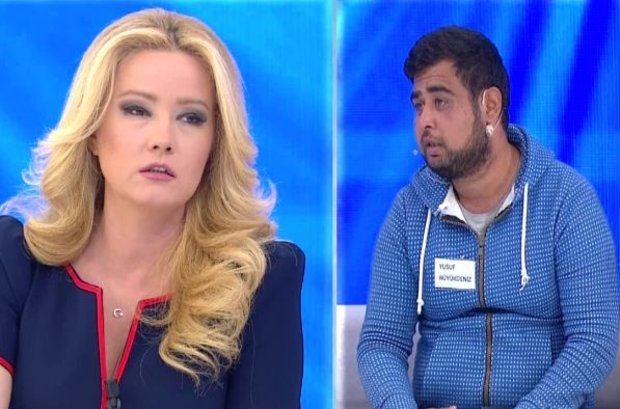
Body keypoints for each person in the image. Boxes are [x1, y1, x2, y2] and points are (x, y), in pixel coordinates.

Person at [0, 8, 304, 409]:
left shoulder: (259, 283)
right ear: (93, 131)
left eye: (191, 118)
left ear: (215, 145)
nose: (163, 138)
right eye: (137, 110)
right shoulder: (14, 261)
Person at [357, 26, 619, 409]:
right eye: (419, 105)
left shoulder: (566, 200)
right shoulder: (409, 212)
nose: (424, 121)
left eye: (441, 102)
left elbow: (594, 337)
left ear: (490, 107)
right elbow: (380, 343)